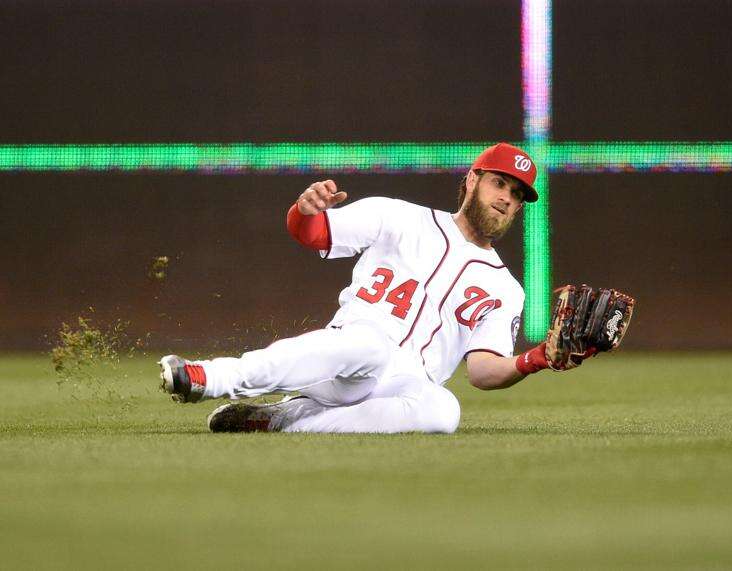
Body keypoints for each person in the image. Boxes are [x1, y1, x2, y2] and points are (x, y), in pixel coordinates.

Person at [159, 142, 557, 433]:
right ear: (472, 179)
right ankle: (206, 378)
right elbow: (313, 234)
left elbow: (483, 371)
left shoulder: (506, 289)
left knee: (444, 411)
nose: (506, 198)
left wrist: (539, 358)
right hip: (346, 364)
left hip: (403, 386)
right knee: (370, 345)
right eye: (499, 183)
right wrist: (305, 210)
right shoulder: (398, 216)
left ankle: (284, 421)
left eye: (517, 194)